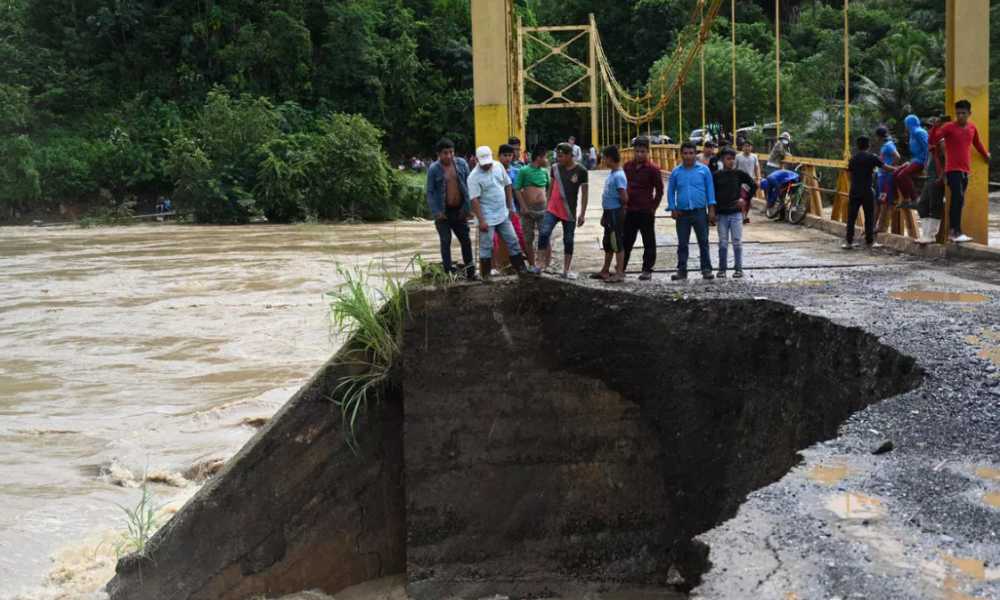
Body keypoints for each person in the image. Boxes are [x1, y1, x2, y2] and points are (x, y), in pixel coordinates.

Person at [929, 100, 992, 243]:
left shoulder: (972, 128)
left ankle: (954, 233)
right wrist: (936, 125)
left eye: (963, 113)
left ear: (969, 113)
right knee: (957, 199)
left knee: (959, 201)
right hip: (953, 170)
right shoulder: (948, 127)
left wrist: (985, 155)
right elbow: (932, 140)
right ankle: (955, 233)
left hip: (965, 170)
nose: (960, 116)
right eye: (958, 113)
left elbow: (977, 143)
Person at [468, 146, 529, 280]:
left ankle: (523, 273)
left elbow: (507, 185)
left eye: (489, 162)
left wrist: (510, 207)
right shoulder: (473, 177)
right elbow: (475, 201)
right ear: (477, 161)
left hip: (503, 214)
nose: (487, 165)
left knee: (513, 241)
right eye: (484, 164)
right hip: (487, 217)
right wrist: (481, 220)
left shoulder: (498, 166)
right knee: (486, 245)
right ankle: (486, 277)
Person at [426, 138, 477, 281]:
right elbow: (430, 192)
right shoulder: (434, 169)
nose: (448, 156)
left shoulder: (461, 164)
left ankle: (471, 273)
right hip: (443, 212)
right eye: (445, 153)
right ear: (438, 154)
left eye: (451, 152)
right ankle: (448, 273)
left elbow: (469, 185)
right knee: (445, 241)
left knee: (466, 240)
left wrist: (467, 207)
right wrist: (437, 212)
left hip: (460, 210)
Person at [537, 143, 588, 278]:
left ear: (570, 155)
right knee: (544, 233)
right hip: (553, 208)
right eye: (557, 156)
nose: (558, 159)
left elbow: (585, 194)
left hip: (569, 211)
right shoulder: (555, 168)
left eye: (561, 156)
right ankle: (539, 265)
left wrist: (582, 214)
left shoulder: (581, 171)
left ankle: (566, 270)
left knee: (568, 240)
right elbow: (551, 187)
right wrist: (547, 206)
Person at [667, 141, 716, 280]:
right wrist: (672, 208)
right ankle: (682, 270)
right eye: (685, 153)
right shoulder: (676, 172)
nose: (688, 156)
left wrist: (711, 209)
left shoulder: (704, 170)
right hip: (682, 213)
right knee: (682, 243)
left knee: (703, 242)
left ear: (696, 154)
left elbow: (710, 190)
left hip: (700, 212)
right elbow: (671, 191)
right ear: (681, 154)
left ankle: (706, 269)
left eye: (691, 153)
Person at [622, 136, 664, 281]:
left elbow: (659, 189)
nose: (640, 154)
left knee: (648, 240)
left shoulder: (653, 169)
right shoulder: (627, 166)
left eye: (643, 152)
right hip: (629, 209)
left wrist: (653, 208)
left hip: (645, 210)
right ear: (633, 151)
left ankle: (647, 269)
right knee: (626, 240)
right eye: (637, 151)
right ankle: (621, 267)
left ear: (648, 152)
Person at [844, 136, 897, 250]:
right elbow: (886, 168)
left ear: (857, 147)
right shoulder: (872, 157)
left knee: (851, 216)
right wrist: (899, 169)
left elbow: (849, 176)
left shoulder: (852, 159)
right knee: (869, 216)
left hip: (854, 190)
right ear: (869, 146)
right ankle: (869, 242)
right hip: (867, 191)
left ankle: (849, 242)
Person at [713, 148, 757, 278]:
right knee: (723, 242)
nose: (731, 161)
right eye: (728, 159)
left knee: (737, 241)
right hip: (721, 213)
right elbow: (711, 193)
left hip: (736, 213)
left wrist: (745, 200)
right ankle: (722, 269)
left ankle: (739, 268)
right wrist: (711, 211)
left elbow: (753, 185)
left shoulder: (739, 173)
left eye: (733, 159)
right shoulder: (716, 176)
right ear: (722, 160)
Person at [594, 145, 628, 282]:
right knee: (608, 242)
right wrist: (604, 214)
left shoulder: (619, 176)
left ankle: (619, 273)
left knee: (617, 242)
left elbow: (624, 198)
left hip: (615, 213)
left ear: (610, 159)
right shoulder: (612, 173)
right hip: (609, 213)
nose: (603, 161)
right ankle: (605, 270)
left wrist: (619, 207)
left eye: (603, 158)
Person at [513, 146, 551, 270]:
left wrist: (549, 205)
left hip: (543, 209)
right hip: (527, 210)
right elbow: (517, 189)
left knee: (545, 236)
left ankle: (547, 264)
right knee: (528, 238)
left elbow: (549, 189)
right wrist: (523, 206)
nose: (547, 160)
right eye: (546, 157)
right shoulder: (524, 170)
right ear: (539, 158)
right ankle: (532, 264)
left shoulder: (545, 171)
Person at [492, 144, 528, 270]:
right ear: (499, 156)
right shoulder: (492, 170)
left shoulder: (516, 172)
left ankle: (526, 265)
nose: (507, 158)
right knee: (492, 242)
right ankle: (494, 268)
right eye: (504, 155)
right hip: (494, 211)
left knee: (520, 237)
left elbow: (519, 190)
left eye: (509, 155)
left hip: (511, 210)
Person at [916, 126, 946, 244]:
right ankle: (926, 235)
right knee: (922, 205)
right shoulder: (932, 144)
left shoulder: (942, 143)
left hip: (936, 179)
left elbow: (949, 160)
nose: (929, 130)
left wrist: (942, 177)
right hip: (929, 179)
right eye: (928, 128)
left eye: (931, 128)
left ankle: (931, 235)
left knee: (935, 206)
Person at [894, 116, 929, 210]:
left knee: (902, 175)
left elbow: (927, 148)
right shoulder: (912, 134)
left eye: (906, 124)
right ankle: (907, 199)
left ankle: (915, 198)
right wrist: (910, 162)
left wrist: (926, 164)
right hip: (915, 159)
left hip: (921, 160)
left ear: (910, 124)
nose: (905, 127)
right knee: (895, 174)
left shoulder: (919, 132)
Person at [872, 126, 899, 234]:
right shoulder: (885, 146)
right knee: (878, 202)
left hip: (886, 178)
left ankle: (881, 226)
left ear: (878, 137)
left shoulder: (888, 145)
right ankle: (872, 226)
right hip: (881, 177)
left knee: (884, 202)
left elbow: (897, 157)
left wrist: (889, 169)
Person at [735, 141, 760, 224]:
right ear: (743, 147)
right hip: (740, 182)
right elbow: (735, 167)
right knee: (742, 197)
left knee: (748, 200)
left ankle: (745, 214)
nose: (747, 148)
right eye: (746, 146)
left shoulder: (754, 157)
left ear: (751, 148)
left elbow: (757, 168)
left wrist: (758, 179)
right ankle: (743, 216)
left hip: (750, 181)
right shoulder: (738, 157)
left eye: (749, 146)